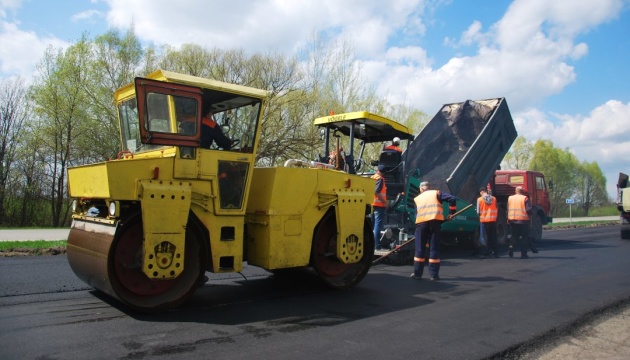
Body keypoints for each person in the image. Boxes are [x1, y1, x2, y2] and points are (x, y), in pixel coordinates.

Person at [411, 181, 457, 281]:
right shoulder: (437, 193)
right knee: (434, 249)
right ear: (429, 187)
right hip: (435, 223)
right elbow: (452, 199)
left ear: (421, 189)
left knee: (419, 249)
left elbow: (416, 214)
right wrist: (451, 213)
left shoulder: (417, 198)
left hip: (421, 225)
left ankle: (417, 274)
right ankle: (434, 275)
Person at [507, 186, 532, 259]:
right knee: (524, 237)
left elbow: (508, 208)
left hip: (512, 220)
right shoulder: (525, 198)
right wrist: (531, 214)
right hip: (523, 221)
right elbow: (528, 209)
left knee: (514, 235)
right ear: (522, 191)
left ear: (516, 191)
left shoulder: (510, 198)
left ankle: (511, 247)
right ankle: (523, 254)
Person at [477, 187, 500, 258]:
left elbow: (478, 211)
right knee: (494, 237)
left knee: (487, 237)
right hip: (493, 220)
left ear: (481, 192)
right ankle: (496, 253)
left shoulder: (479, 199)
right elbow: (496, 208)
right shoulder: (494, 198)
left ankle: (487, 252)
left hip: (484, 221)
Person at [371, 164, 388, 250]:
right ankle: (377, 245)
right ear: (383, 172)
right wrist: (385, 202)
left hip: (371, 205)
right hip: (379, 206)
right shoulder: (380, 179)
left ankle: (371, 244)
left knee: (372, 225)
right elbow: (377, 192)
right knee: (377, 226)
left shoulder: (372, 177)